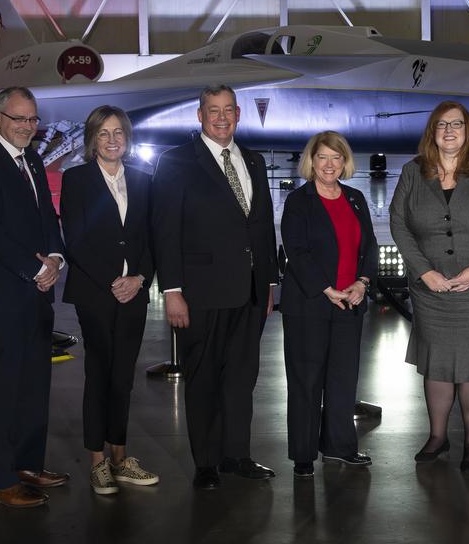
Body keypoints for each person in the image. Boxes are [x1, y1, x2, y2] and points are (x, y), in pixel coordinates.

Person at [151, 84, 278, 490]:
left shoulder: (254, 161)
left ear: (239, 114)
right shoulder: (176, 162)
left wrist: (271, 281)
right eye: (212, 110)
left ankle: (236, 455)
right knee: (203, 379)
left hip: (250, 292)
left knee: (241, 379)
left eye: (228, 110)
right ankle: (205, 462)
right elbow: (165, 231)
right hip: (200, 292)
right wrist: (171, 290)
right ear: (200, 115)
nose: (221, 118)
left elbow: (261, 226)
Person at [0, 86, 68, 508]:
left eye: (33, 119)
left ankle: (27, 463)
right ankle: (1, 479)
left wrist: (56, 257)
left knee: (35, 383)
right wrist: (38, 269)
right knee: (4, 386)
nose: (27, 127)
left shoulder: (33, 160)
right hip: (2, 295)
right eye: (19, 119)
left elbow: (47, 217)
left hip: (37, 293)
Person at [389, 102, 469, 471]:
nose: (449, 131)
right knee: (436, 367)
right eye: (441, 125)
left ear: (468, 130)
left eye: (457, 124)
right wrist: (424, 272)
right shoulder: (412, 172)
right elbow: (398, 223)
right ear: (431, 131)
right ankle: (437, 436)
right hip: (430, 289)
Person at [60, 106, 159, 495]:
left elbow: (153, 239)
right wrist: (112, 281)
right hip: (95, 293)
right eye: (104, 133)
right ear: (92, 140)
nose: (113, 139)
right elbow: (76, 239)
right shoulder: (77, 179)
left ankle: (121, 460)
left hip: (133, 292)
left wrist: (139, 279)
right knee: (99, 375)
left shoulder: (144, 180)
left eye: (118, 132)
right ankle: (98, 463)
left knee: (123, 377)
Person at [280, 131, 378, 478]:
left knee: (342, 380)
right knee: (306, 381)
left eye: (336, 158)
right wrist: (326, 289)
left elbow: (370, 248)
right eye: (323, 157)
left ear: (344, 162)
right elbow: (297, 251)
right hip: (309, 305)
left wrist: (362, 283)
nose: (330, 164)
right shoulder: (299, 201)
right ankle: (303, 454)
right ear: (312, 161)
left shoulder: (355, 199)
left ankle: (340, 446)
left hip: (349, 304)